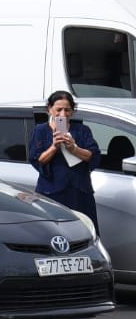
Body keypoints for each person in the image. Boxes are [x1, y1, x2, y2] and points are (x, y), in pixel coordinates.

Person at [27, 90, 100, 229]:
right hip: (51, 191)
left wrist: (73, 148)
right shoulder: (40, 130)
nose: (62, 114)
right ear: (49, 109)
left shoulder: (82, 130)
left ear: (72, 111)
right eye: (58, 109)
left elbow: (92, 155)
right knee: (54, 231)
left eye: (67, 110)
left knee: (84, 228)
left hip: (80, 190)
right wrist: (54, 146)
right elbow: (38, 160)